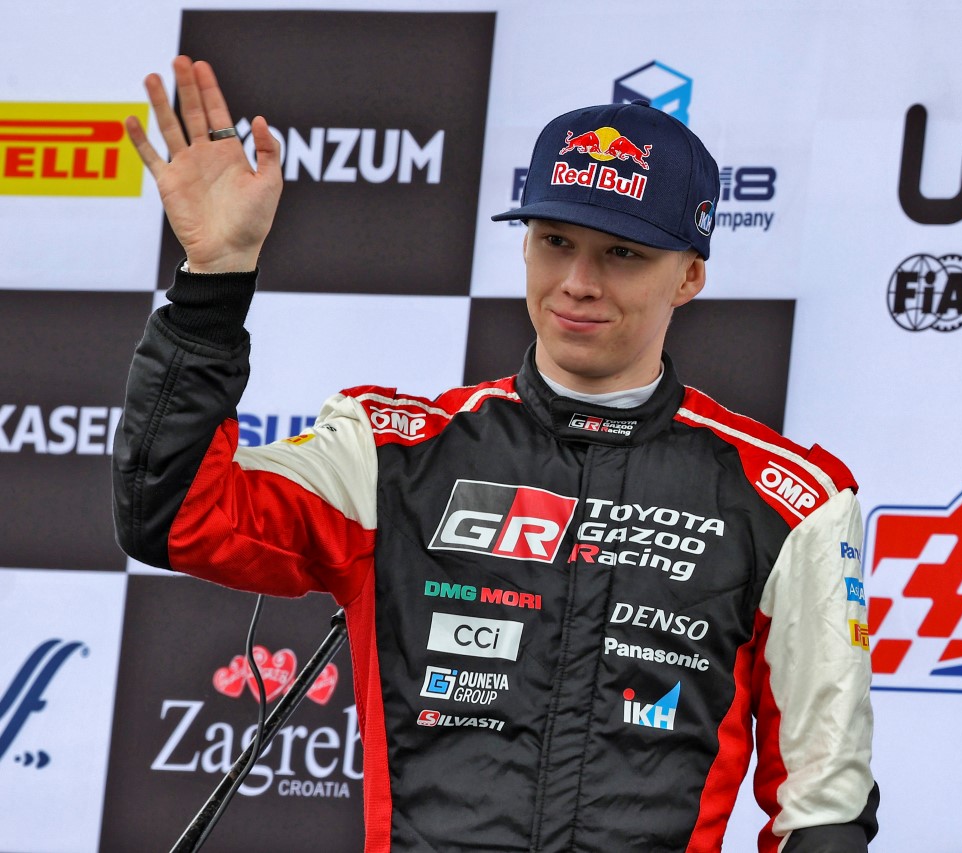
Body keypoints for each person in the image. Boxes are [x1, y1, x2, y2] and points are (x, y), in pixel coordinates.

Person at [113, 55, 879, 853]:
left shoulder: (790, 503)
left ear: (688, 275)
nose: (577, 280)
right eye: (555, 241)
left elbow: (823, 809)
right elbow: (172, 516)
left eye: (622, 253)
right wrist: (213, 282)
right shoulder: (395, 453)